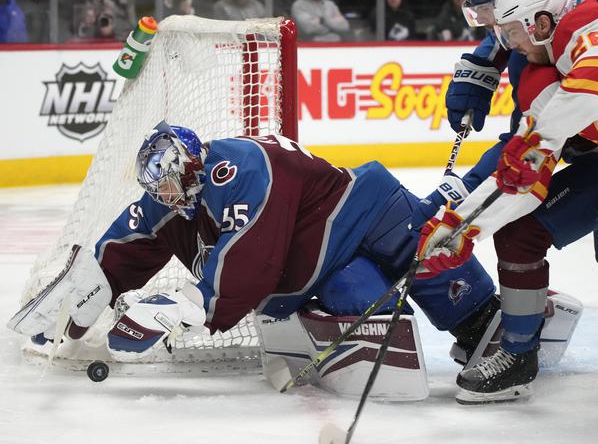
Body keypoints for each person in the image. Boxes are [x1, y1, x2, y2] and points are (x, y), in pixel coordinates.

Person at [9, 122, 511, 381]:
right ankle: (395, 342)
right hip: (320, 255)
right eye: (154, 186)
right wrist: (95, 280)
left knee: (420, 248)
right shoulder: (178, 194)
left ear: (190, 163)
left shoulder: (239, 168)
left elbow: (254, 259)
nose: (160, 194)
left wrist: (192, 305)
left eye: (165, 182)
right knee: (357, 298)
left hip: (364, 208)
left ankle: (490, 328)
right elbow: (132, 235)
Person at [420, 0, 598, 401]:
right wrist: (459, 228)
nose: (508, 46)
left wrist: (533, 139)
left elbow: (582, 103)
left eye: (510, 33)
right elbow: (522, 176)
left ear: (540, 23)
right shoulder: (551, 61)